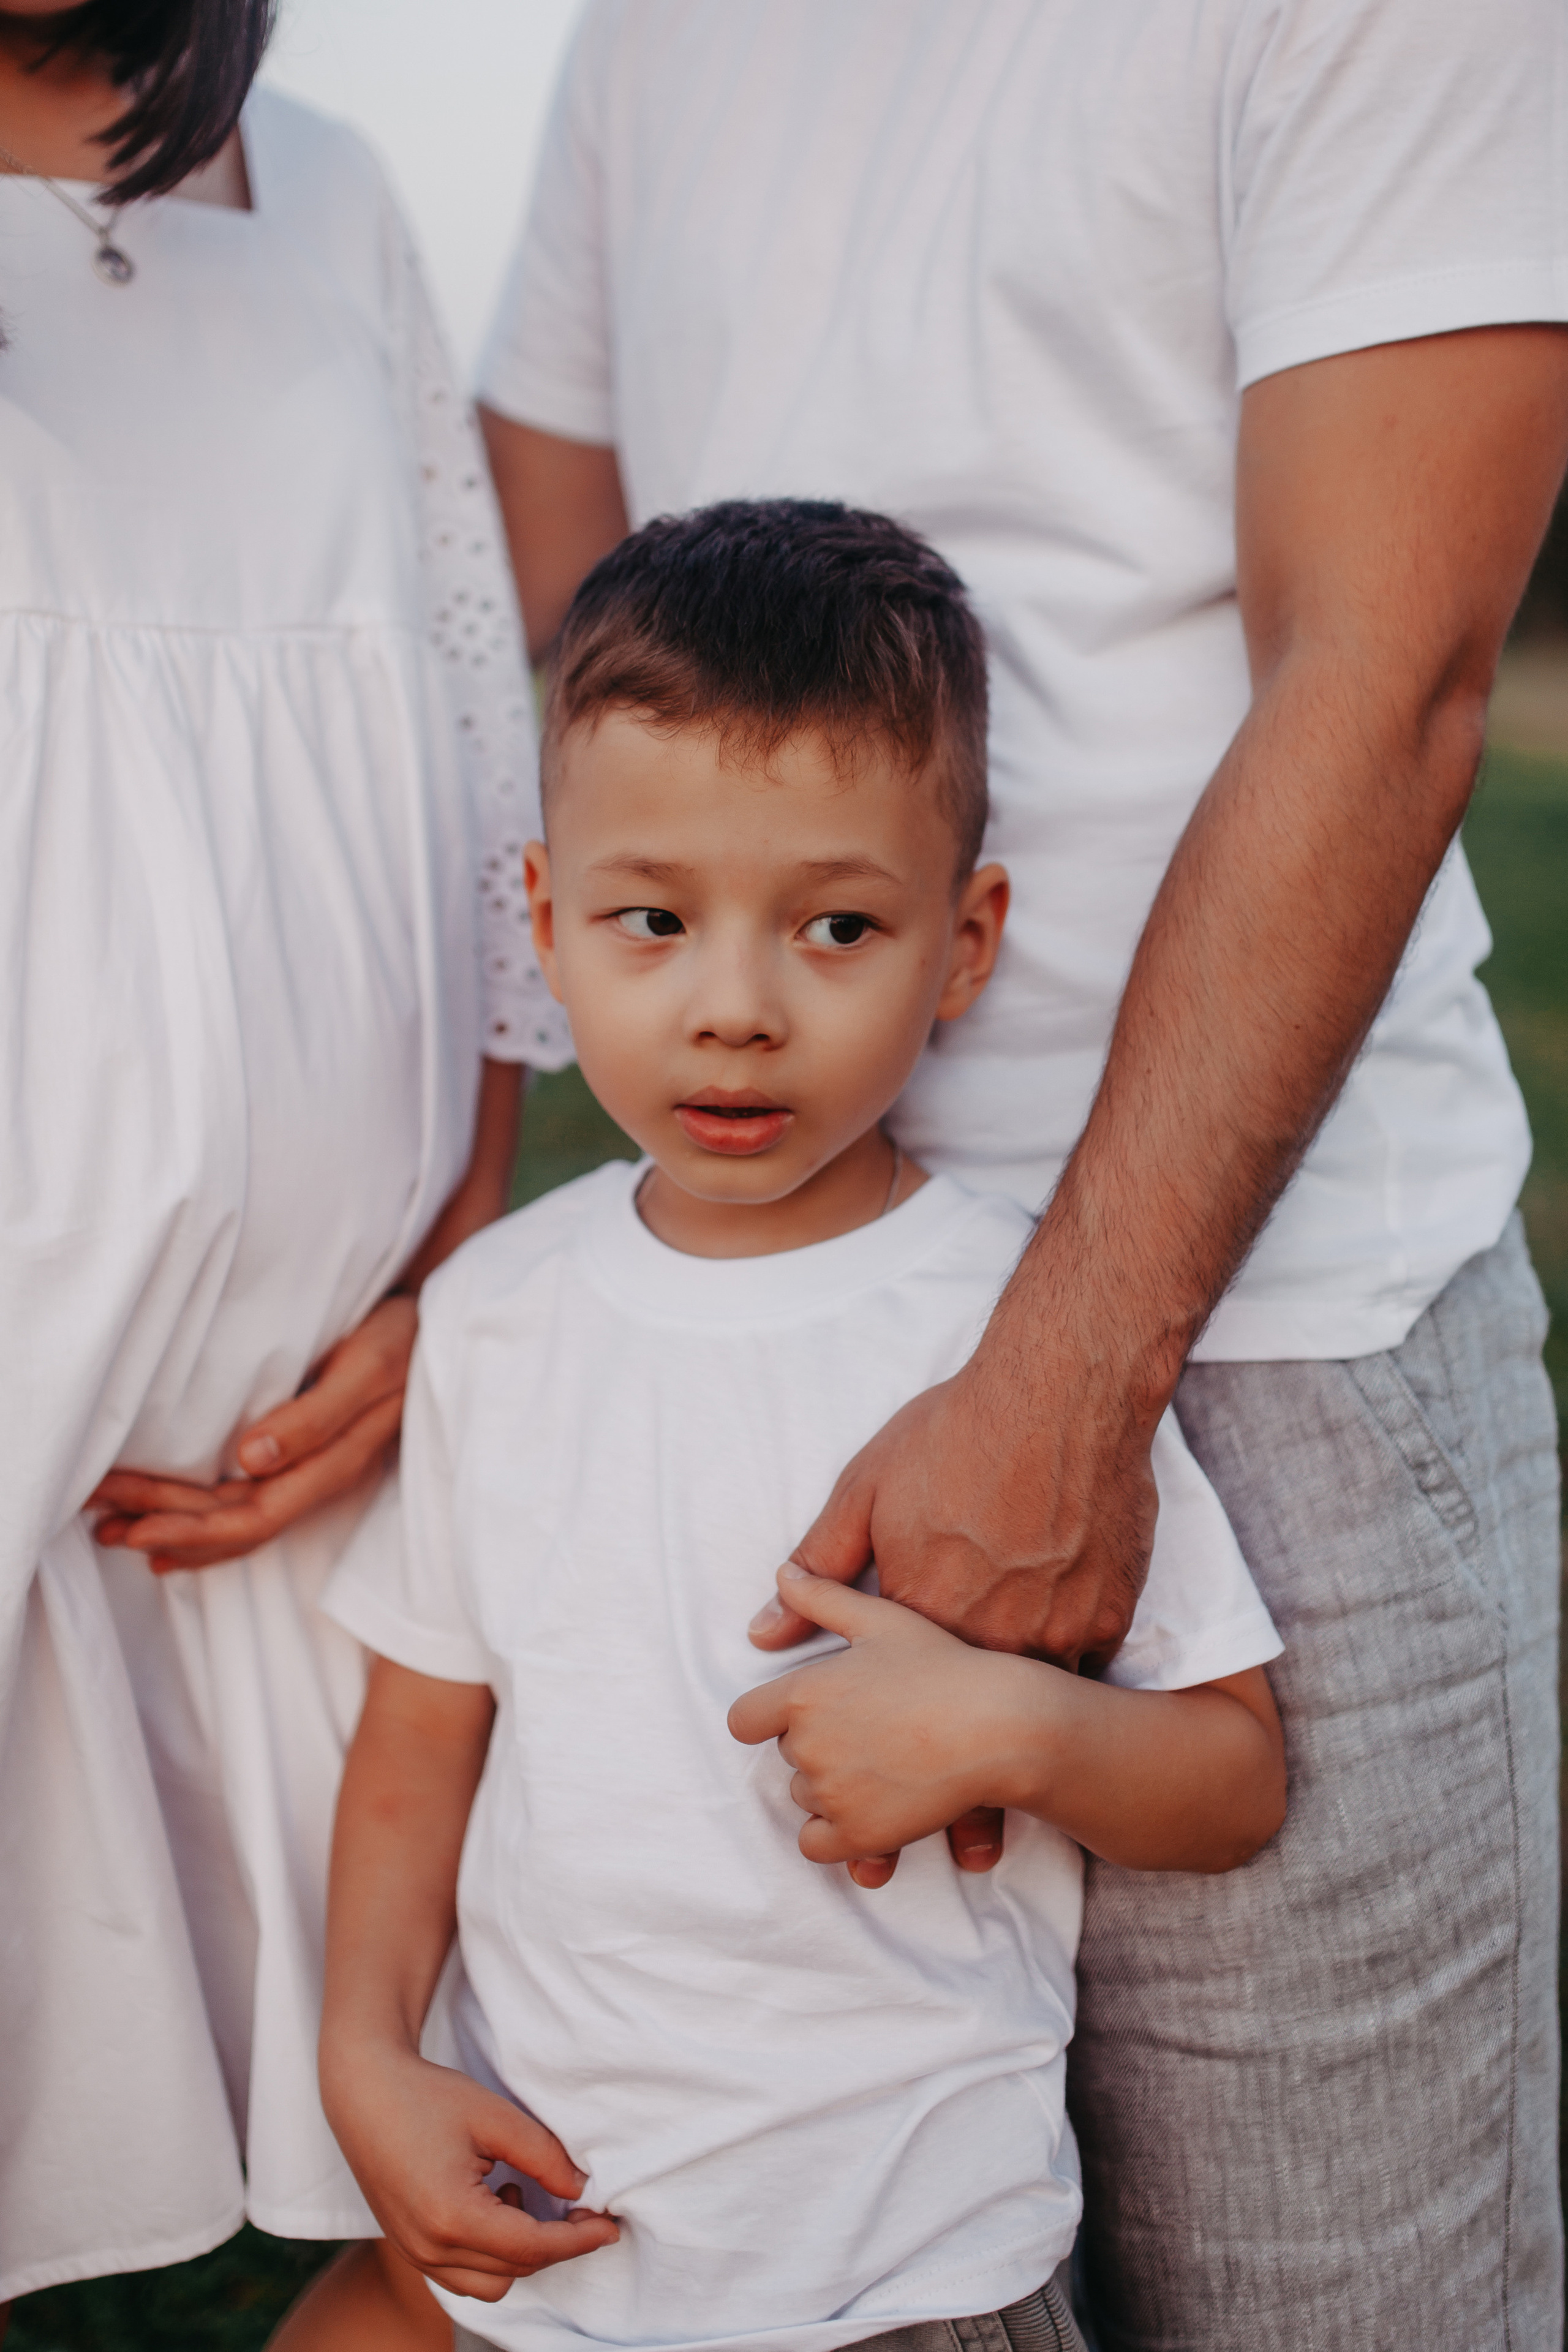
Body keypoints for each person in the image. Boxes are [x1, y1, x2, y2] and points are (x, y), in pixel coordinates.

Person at [472, 6, 1568, 2345]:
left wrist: (1067, 1383)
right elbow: (553, 522)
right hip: (743, 1315)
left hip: (1255, 1339)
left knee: (1325, 2309)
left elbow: (1389, 662)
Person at [316, 499, 1287, 2352]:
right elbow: (417, 1742)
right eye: (652, 920)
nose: (737, 1010)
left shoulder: (1018, 1336)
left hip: (912, 2267)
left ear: (967, 939)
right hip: (552, 2229)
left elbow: (1234, 1776)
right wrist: (369, 2053)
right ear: (545, 918)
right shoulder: (501, 1315)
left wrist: (1017, 1727)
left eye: (837, 925)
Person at [0, 0, 568, 2335]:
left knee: (535, 2132)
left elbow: (468, 728)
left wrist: (447, 1261)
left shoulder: (324, 187)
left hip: (313, 1430)